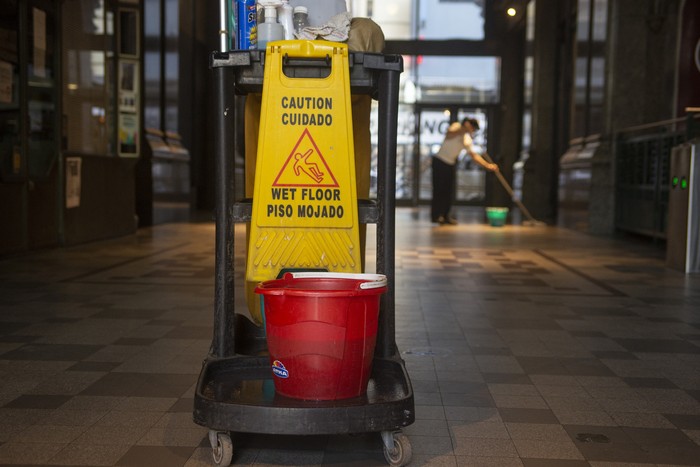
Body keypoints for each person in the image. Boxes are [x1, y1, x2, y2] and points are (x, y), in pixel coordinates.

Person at [431, 117, 498, 225]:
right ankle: (436, 216)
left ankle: (445, 215)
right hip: (440, 161)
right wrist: (464, 129)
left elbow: (474, 155)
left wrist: (487, 165)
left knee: (448, 192)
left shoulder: (467, 138)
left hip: (450, 164)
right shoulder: (456, 127)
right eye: (473, 128)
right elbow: (449, 134)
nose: (473, 131)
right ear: (468, 125)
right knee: (439, 190)